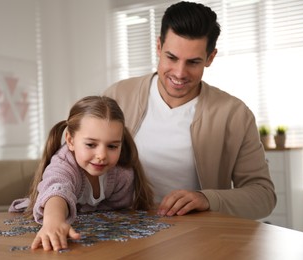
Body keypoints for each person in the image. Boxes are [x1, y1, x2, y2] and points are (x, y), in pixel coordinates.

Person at [104, 1, 276, 220]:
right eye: (171, 57)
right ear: (159, 47)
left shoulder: (235, 115)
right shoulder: (117, 97)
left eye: (193, 62)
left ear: (210, 58)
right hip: (122, 233)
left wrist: (207, 199)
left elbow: (263, 196)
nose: (180, 72)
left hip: (199, 239)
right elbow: (71, 165)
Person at [9, 95, 154, 251]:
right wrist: (53, 222)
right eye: (91, 144)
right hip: (41, 225)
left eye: (112, 146)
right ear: (70, 141)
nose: (102, 155)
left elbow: (119, 214)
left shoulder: (122, 174)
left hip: (96, 240)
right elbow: (56, 190)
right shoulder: (64, 165)